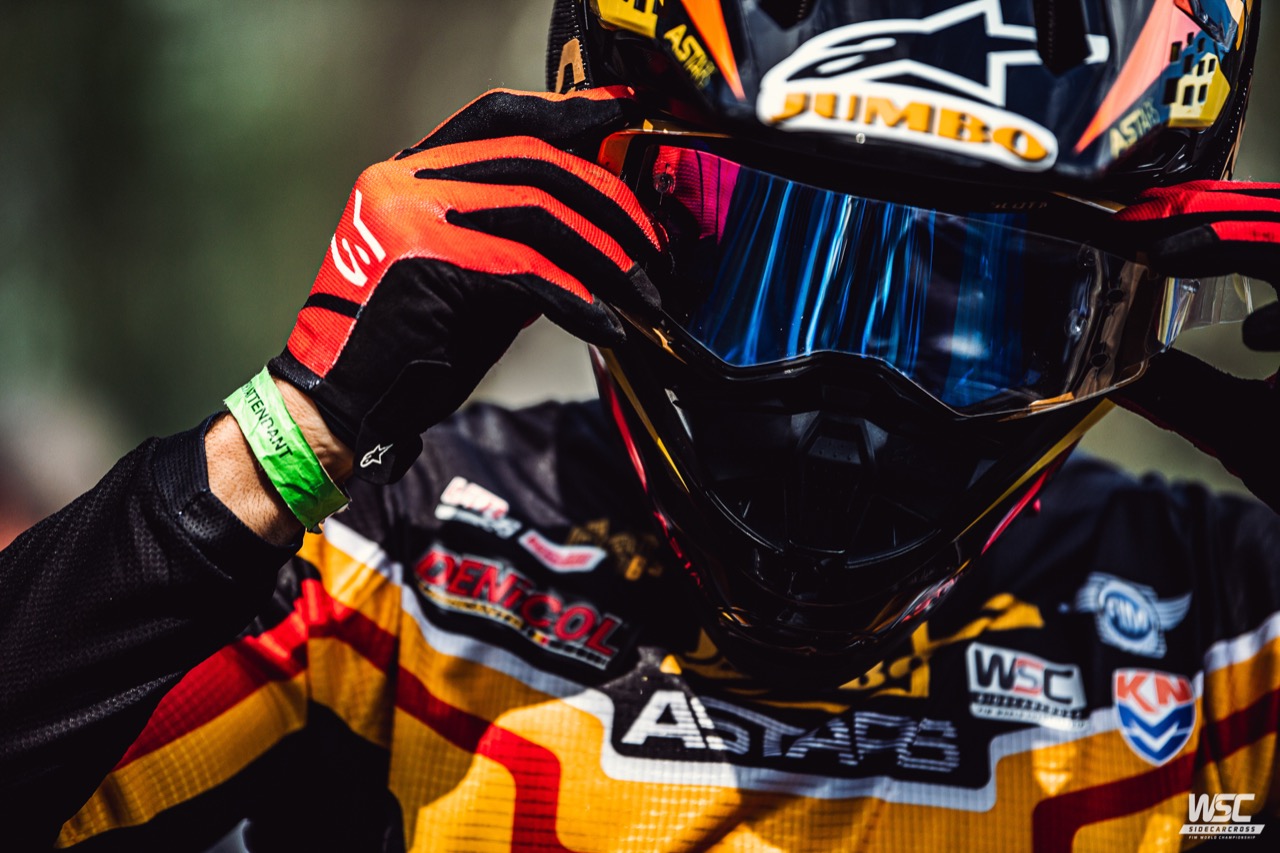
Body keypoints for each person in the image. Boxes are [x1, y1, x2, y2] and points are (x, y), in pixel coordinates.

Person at [3, 0, 1280, 849]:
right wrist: (286, 438)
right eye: (770, 264)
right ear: (593, 189)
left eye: (968, 303)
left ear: (1125, 311)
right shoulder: (400, 573)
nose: (846, 411)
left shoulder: (1227, 625)